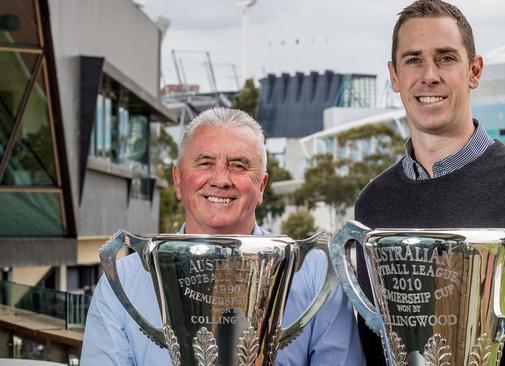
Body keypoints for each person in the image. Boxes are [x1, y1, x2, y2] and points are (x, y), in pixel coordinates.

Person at [354, 1, 505, 364]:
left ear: (474, 71)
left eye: (446, 58)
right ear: (394, 76)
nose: (429, 75)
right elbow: (372, 338)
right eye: (413, 60)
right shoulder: (372, 202)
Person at [81, 107, 365, 365]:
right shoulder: (123, 281)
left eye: (239, 165)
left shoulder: (315, 275)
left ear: (262, 185)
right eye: (204, 163)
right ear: (178, 180)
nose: (220, 179)